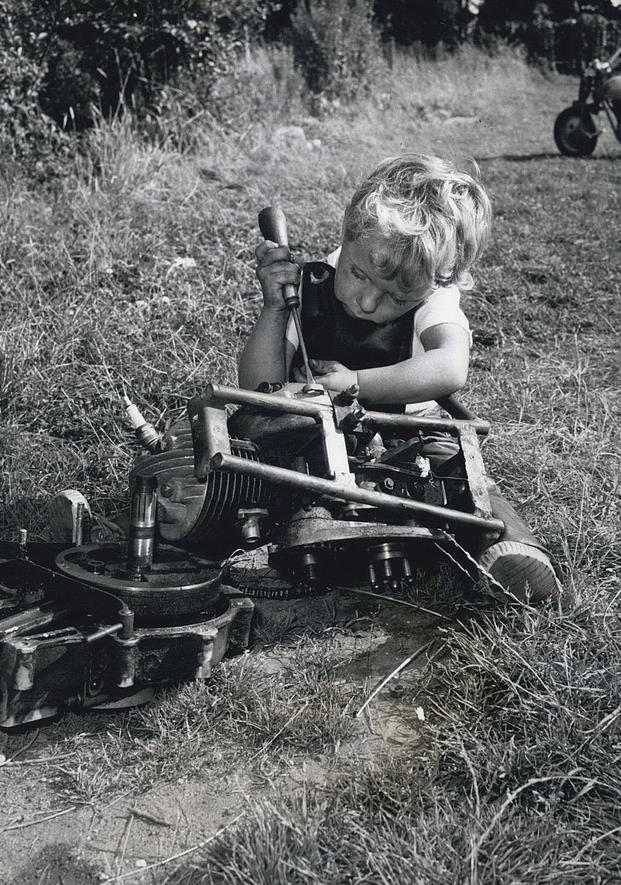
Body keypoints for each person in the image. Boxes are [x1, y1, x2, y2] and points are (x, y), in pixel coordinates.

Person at [239, 152, 560, 601]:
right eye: (357, 274)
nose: (368, 302)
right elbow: (259, 388)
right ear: (347, 236)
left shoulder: (435, 296)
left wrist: (356, 384)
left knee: (462, 478)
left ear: (434, 284)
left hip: (405, 440)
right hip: (310, 439)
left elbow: (450, 366)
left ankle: (511, 551)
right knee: (238, 452)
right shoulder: (311, 288)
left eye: (397, 297)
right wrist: (275, 309)